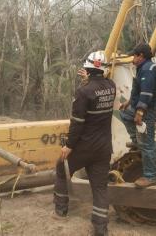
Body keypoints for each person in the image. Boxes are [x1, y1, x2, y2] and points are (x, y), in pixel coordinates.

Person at [53, 51, 116, 236]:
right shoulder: (111, 86)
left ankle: (61, 210)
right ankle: (100, 228)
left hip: (84, 146)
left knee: (60, 168)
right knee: (99, 187)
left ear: (87, 69)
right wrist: (88, 80)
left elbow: (77, 123)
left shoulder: (83, 92)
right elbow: (98, 89)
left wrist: (69, 146)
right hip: (104, 147)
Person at [119, 43, 156, 188]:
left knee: (147, 144)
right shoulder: (142, 68)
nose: (132, 58)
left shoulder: (148, 70)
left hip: (150, 110)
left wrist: (139, 112)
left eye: (134, 55)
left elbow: (146, 93)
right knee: (125, 113)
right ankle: (137, 140)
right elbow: (138, 90)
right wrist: (129, 102)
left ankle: (151, 176)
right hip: (147, 107)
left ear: (141, 56)